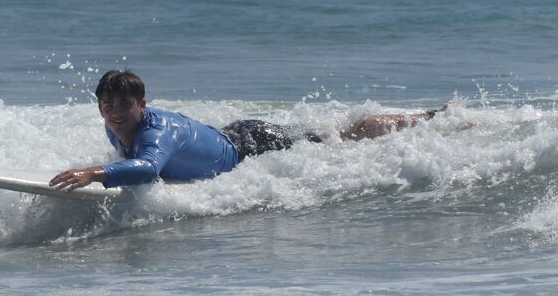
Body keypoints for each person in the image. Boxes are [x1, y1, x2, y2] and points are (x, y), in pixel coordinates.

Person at [49, 70, 448, 192]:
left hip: (253, 145)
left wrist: (94, 173)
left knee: (342, 138)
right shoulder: (116, 123)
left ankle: (427, 119)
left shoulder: (155, 132)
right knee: (339, 136)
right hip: (230, 135)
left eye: (124, 105)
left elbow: (150, 167)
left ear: (143, 105)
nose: (115, 113)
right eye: (108, 105)